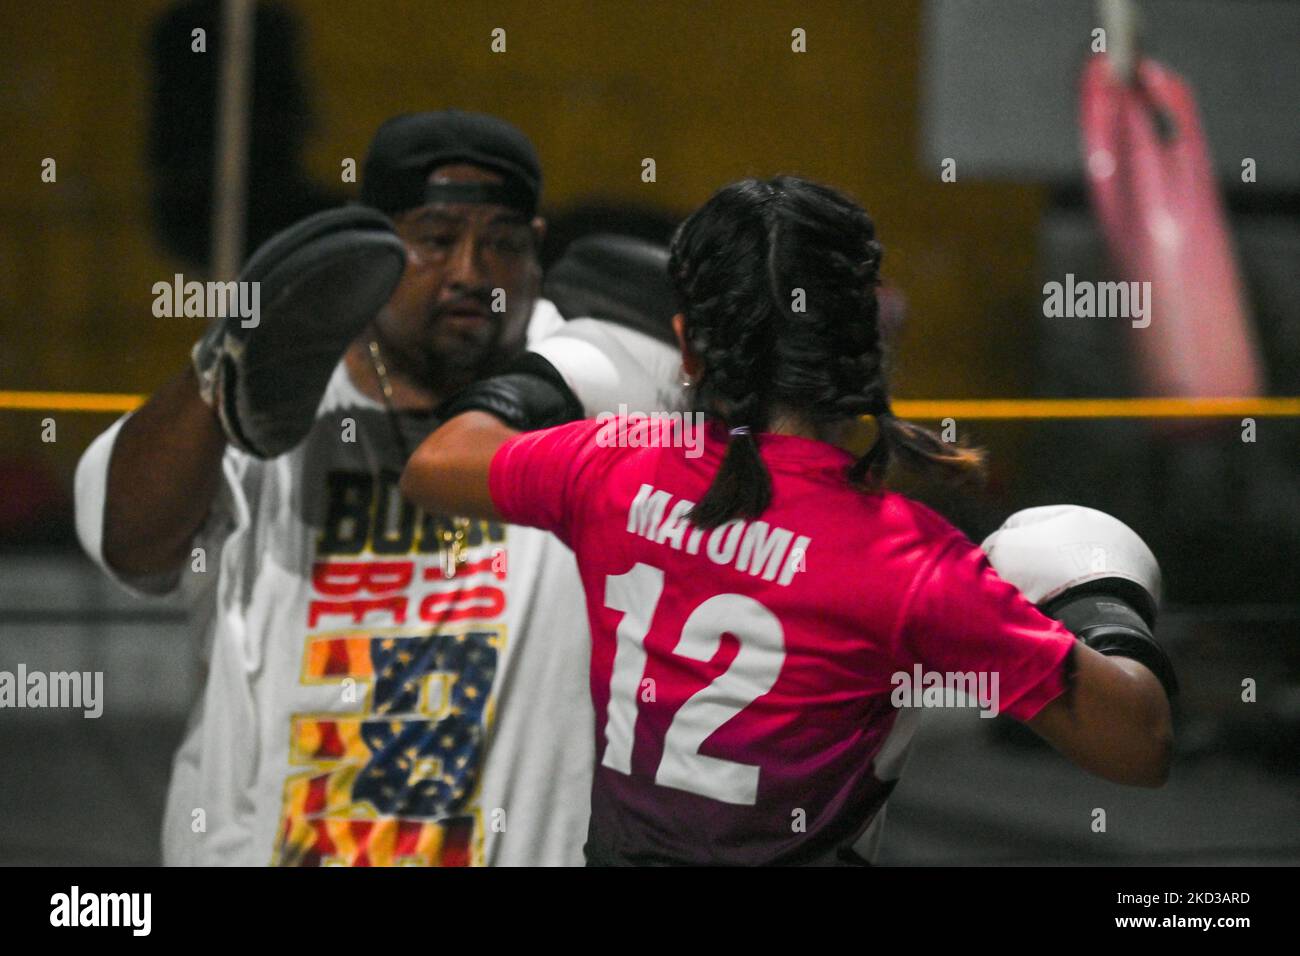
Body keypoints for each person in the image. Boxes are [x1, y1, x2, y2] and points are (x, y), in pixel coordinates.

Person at [400, 175, 1177, 866]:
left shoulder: (608, 465)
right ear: (869, 343)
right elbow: (1139, 744)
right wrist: (1100, 600)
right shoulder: (910, 564)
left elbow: (437, 463)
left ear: (688, 352)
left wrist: (559, 376)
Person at [74, 110, 679, 866]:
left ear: (535, 254)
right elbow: (127, 543)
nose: (470, 272)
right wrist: (221, 373)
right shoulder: (275, 392)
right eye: (435, 238)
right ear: (372, 250)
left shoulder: (594, 380)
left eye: (502, 243)